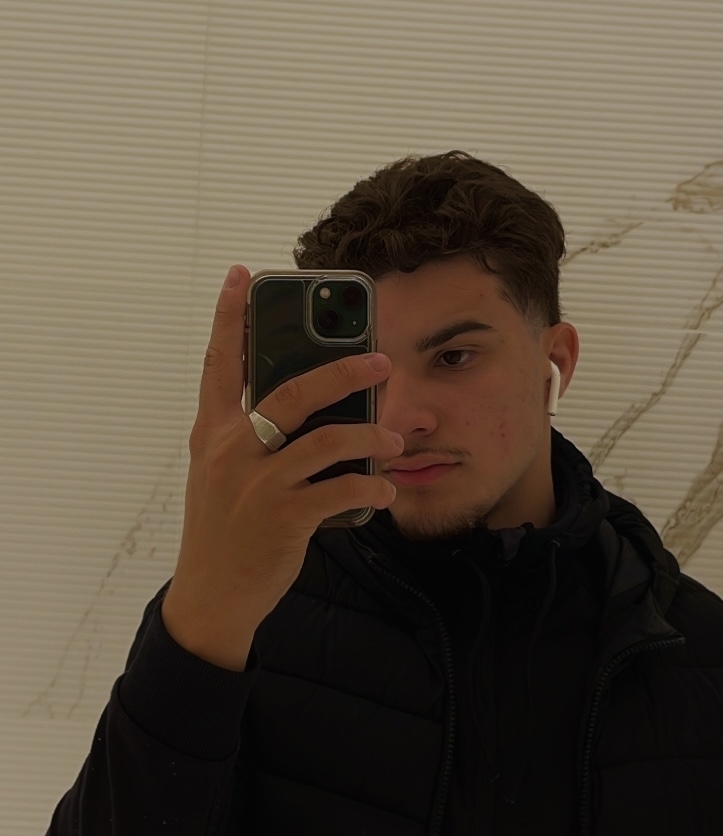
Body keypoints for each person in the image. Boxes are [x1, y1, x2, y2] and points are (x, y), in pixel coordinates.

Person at [46, 151, 723, 835]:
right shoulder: (238, 614)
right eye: (363, 372)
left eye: (453, 357)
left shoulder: (696, 651)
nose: (399, 421)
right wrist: (200, 620)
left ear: (557, 361)